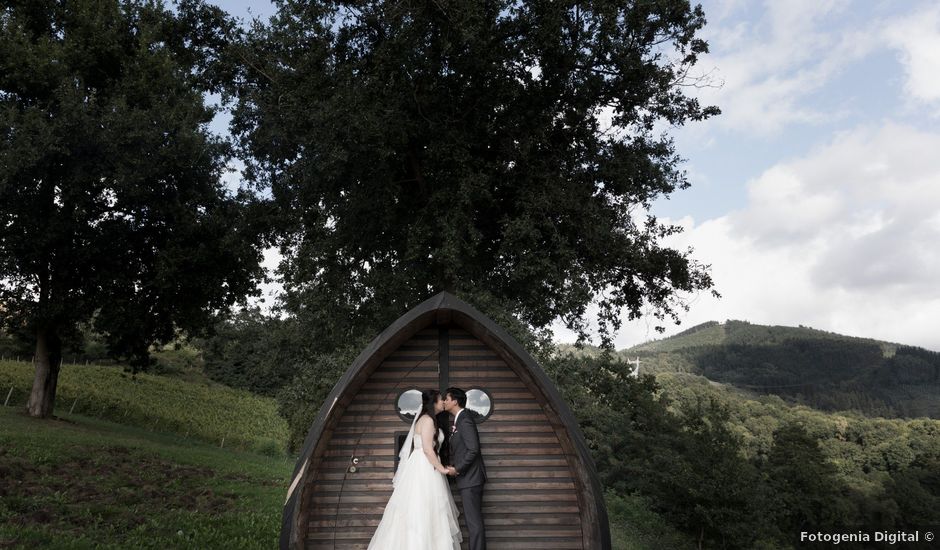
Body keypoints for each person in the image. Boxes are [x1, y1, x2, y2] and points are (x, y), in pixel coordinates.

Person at [367, 389, 462, 550]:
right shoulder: (427, 421)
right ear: (433, 403)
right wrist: (442, 469)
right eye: (441, 400)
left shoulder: (429, 420)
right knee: (423, 507)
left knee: (429, 509)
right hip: (424, 467)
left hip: (425, 465)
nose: (443, 402)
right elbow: (427, 449)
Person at [443, 387, 487, 550]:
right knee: (473, 523)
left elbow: (473, 449)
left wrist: (457, 469)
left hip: (471, 479)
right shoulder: (459, 419)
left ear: (455, 401)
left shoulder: (464, 420)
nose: (444, 402)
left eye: (446, 399)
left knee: (474, 523)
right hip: (468, 479)